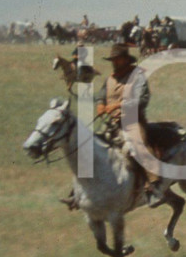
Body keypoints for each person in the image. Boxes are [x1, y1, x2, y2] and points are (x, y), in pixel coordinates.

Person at [60, 43, 164, 210]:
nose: (114, 62)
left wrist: (118, 106)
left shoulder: (137, 76)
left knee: (138, 147)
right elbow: (101, 96)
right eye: (113, 59)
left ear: (125, 59)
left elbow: (143, 99)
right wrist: (100, 105)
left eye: (117, 59)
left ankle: (153, 187)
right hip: (112, 124)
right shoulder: (111, 78)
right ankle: (78, 192)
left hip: (133, 122)